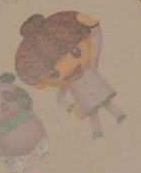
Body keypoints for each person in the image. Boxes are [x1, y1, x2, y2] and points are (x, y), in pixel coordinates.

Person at [14, 10, 127, 140]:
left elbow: (94, 33)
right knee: (92, 112)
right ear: (40, 82)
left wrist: (93, 65)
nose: (69, 69)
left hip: (93, 83)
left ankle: (118, 114)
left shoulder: (89, 70)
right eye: (53, 73)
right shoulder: (68, 83)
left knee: (106, 101)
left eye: (76, 52)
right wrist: (72, 108)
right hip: (83, 97)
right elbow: (60, 99)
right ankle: (97, 130)